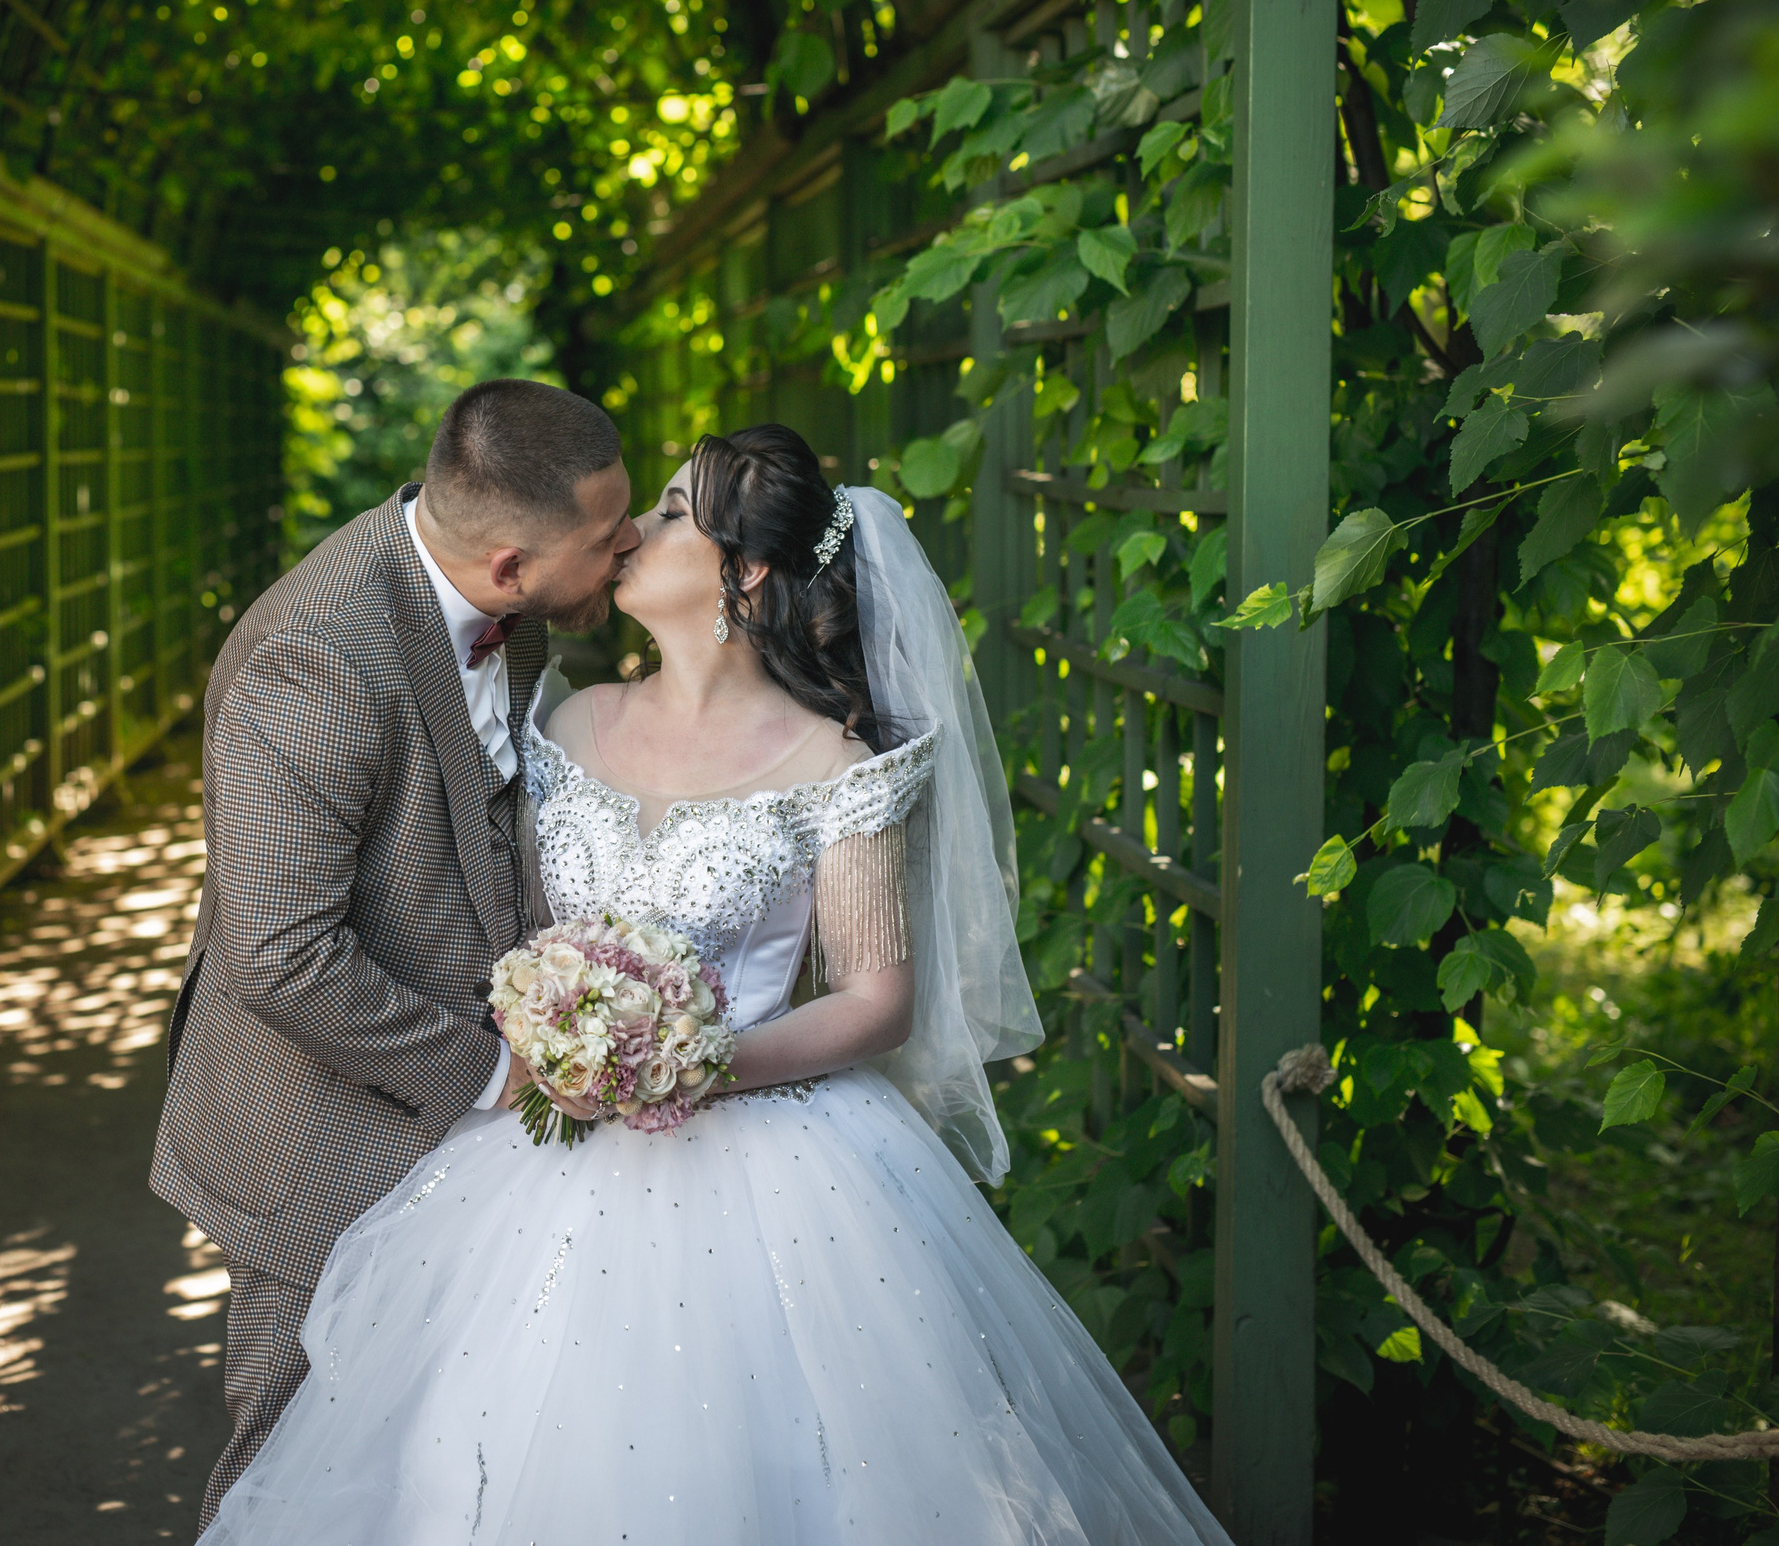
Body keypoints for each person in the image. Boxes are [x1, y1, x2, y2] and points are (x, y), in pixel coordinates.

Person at [194, 423, 1235, 1544]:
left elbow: (877, 997)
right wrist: (554, 1041)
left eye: (675, 514)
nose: (637, 530)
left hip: (766, 1165)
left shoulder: (833, 765)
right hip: (524, 1146)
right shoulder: (567, 716)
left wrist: (690, 1059)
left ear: (745, 572)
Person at [152, 378, 642, 1528]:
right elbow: (278, 957)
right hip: (320, 1133)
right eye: (606, 535)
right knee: (298, 1460)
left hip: (485, 1139)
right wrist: (496, 1070)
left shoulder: (507, 606)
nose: (631, 545)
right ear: (511, 565)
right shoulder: (316, 661)